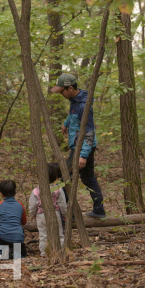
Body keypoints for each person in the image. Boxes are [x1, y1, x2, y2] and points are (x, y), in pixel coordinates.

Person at [51, 73, 106, 218]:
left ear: (69, 88)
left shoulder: (84, 106)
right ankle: (99, 210)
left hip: (82, 147)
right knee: (88, 178)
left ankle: (69, 213)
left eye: (62, 91)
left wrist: (83, 155)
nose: (60, 94)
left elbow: (89, 132)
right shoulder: (75, 100)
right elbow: (72, 115)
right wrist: (66, 124)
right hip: (78, 146)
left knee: (65, 177)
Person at [28, 163, 67, 257]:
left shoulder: (36, 191)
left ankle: (44, 253)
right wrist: (65, 214)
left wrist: (32, 214)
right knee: (59, 234)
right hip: (56, 213)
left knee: (43, 235)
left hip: (41, 215)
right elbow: (62, 204)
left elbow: (33, 205)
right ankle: (60, 251)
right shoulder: (58, 189)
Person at [0, 180, 27, 259]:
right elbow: (24, 222)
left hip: (3, 237)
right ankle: (18, 254)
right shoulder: (20, 205)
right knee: (20, 229)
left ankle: (3, 252)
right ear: (15, 192)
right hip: (18, 238)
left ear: (1, 193)